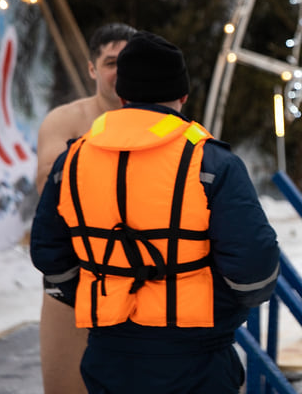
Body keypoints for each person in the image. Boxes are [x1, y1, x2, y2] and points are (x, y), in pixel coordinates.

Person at [30, 32, 281, 393]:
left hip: (108, 353)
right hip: (197, 357)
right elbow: (255, 272)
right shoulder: (211, 162)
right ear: (183, 95)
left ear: (122, 96)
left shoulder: (72, 161)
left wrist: (102, 291)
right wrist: (210, 311)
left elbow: (50, 255)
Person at [34, 22, 137, 394]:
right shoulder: (66, 121)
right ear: (92, 69)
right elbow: (48, 186)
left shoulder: (164, 124)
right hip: (76, 278)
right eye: (111, 62)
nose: (120, 72)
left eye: (128, 62)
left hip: (145, 281)